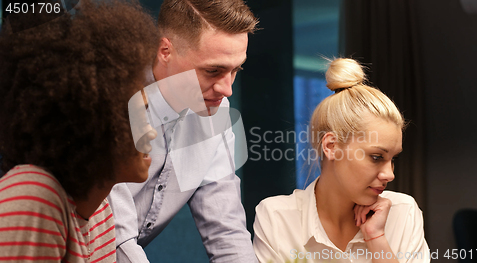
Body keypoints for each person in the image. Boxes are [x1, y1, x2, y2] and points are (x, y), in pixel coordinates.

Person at [0, 0, 158, 261]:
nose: (151, 132)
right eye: (139, 113)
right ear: (96, 122)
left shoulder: (99, 211)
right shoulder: (35, 194)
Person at [106, 0, 259, 262]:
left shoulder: (217, 110)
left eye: (236, 70)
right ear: (165, 50)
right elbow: (116, 239)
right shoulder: (111, 99)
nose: (227, 90)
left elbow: (227, 233)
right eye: (213, 70)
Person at [253, 58, 429, 263]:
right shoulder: (277, 217)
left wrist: (376, 238)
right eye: (376, 157)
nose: (389, 174)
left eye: (393, 159)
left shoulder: (404, 212)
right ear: (331, 146)